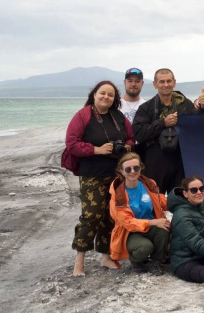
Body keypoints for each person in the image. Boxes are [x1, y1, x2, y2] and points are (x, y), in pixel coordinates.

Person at [64, 80, 134, 276]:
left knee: (110, 215)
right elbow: (71, 143)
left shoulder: (118, 117)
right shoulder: (83, 115)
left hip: (115, 173)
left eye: (110, 95)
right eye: (102, 93)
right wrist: (97, 149)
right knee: (92, 215)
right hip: (92, 174)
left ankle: (106, 256)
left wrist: (126, 147)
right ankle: (80, 259)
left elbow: (130, 138)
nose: (106, 97)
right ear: (94, 95)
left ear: (115, 99)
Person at [133, 68, 204, 194]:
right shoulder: (146, 108)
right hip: (155, 160)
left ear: (174, 82)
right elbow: (139, 134)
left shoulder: (185, 104)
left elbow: (199, 125)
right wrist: (163, 123)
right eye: (161, 82)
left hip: (180, 159)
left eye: (169, 81)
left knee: (180, 199)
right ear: (155, 84)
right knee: (155, 199)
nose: (166, 85)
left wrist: (203, 107)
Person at [109, 152, 170, 274]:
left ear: (140, 168)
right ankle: (136, 260)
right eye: (128, 169)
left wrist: (182, 200)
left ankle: (155, 262)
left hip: (150, 227)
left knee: (164, 228)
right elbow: (127, 222)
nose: (132, 171)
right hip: (130, 232)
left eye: (136, 168)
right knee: (145, 248)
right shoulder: (118, 194)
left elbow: (162, 201)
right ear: (121, 171)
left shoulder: (149, 183)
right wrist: (153, 222)